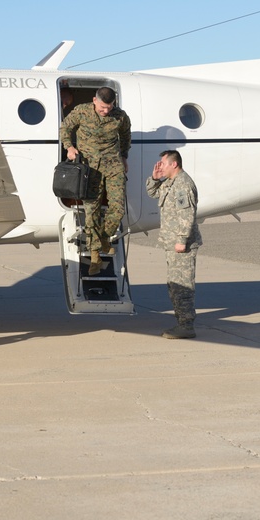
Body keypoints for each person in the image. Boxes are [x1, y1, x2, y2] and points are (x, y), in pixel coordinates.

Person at [59, 86, 132, 275]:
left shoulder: (120, 116)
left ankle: (105, 239)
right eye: (102, 107)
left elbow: (125, 135)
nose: (106, 111)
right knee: (92, 211)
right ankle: (95, 256)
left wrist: (124, 156)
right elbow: (65, 127)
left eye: (109, 107)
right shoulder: (81, 112)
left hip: (113, 164)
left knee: (118, 208)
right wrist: (69, 147)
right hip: (89, 167)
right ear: (94, 100)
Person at [146, 149, 202, 339]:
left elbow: (187, 216)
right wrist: (154, 178)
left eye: (163, 163)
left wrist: (181, 241)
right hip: (172, 243)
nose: (161, 166)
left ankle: (186, 326)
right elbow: (153, 192)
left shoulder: (183, 185)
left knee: (182, 286)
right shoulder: (170, 183)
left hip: (181, 246)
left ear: (174, 164)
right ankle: (182, 322)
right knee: (174, 285)